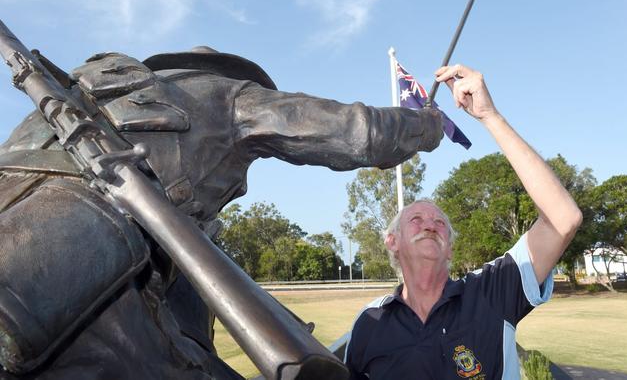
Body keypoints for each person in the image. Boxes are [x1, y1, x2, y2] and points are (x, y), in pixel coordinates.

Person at [0, 47, 444, 379]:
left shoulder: (75, 93)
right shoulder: (224, 95)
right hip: (75, 275)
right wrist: (426, 124)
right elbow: (358, 132)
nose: (242, 185)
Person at [345, 64, 583, 380]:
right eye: (416, 219)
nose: (430, 225)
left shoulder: (490, 292)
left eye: (440, 223)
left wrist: (490, 117)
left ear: (450, 250)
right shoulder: (369, 322)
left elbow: (562, 220)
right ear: (393, 241)